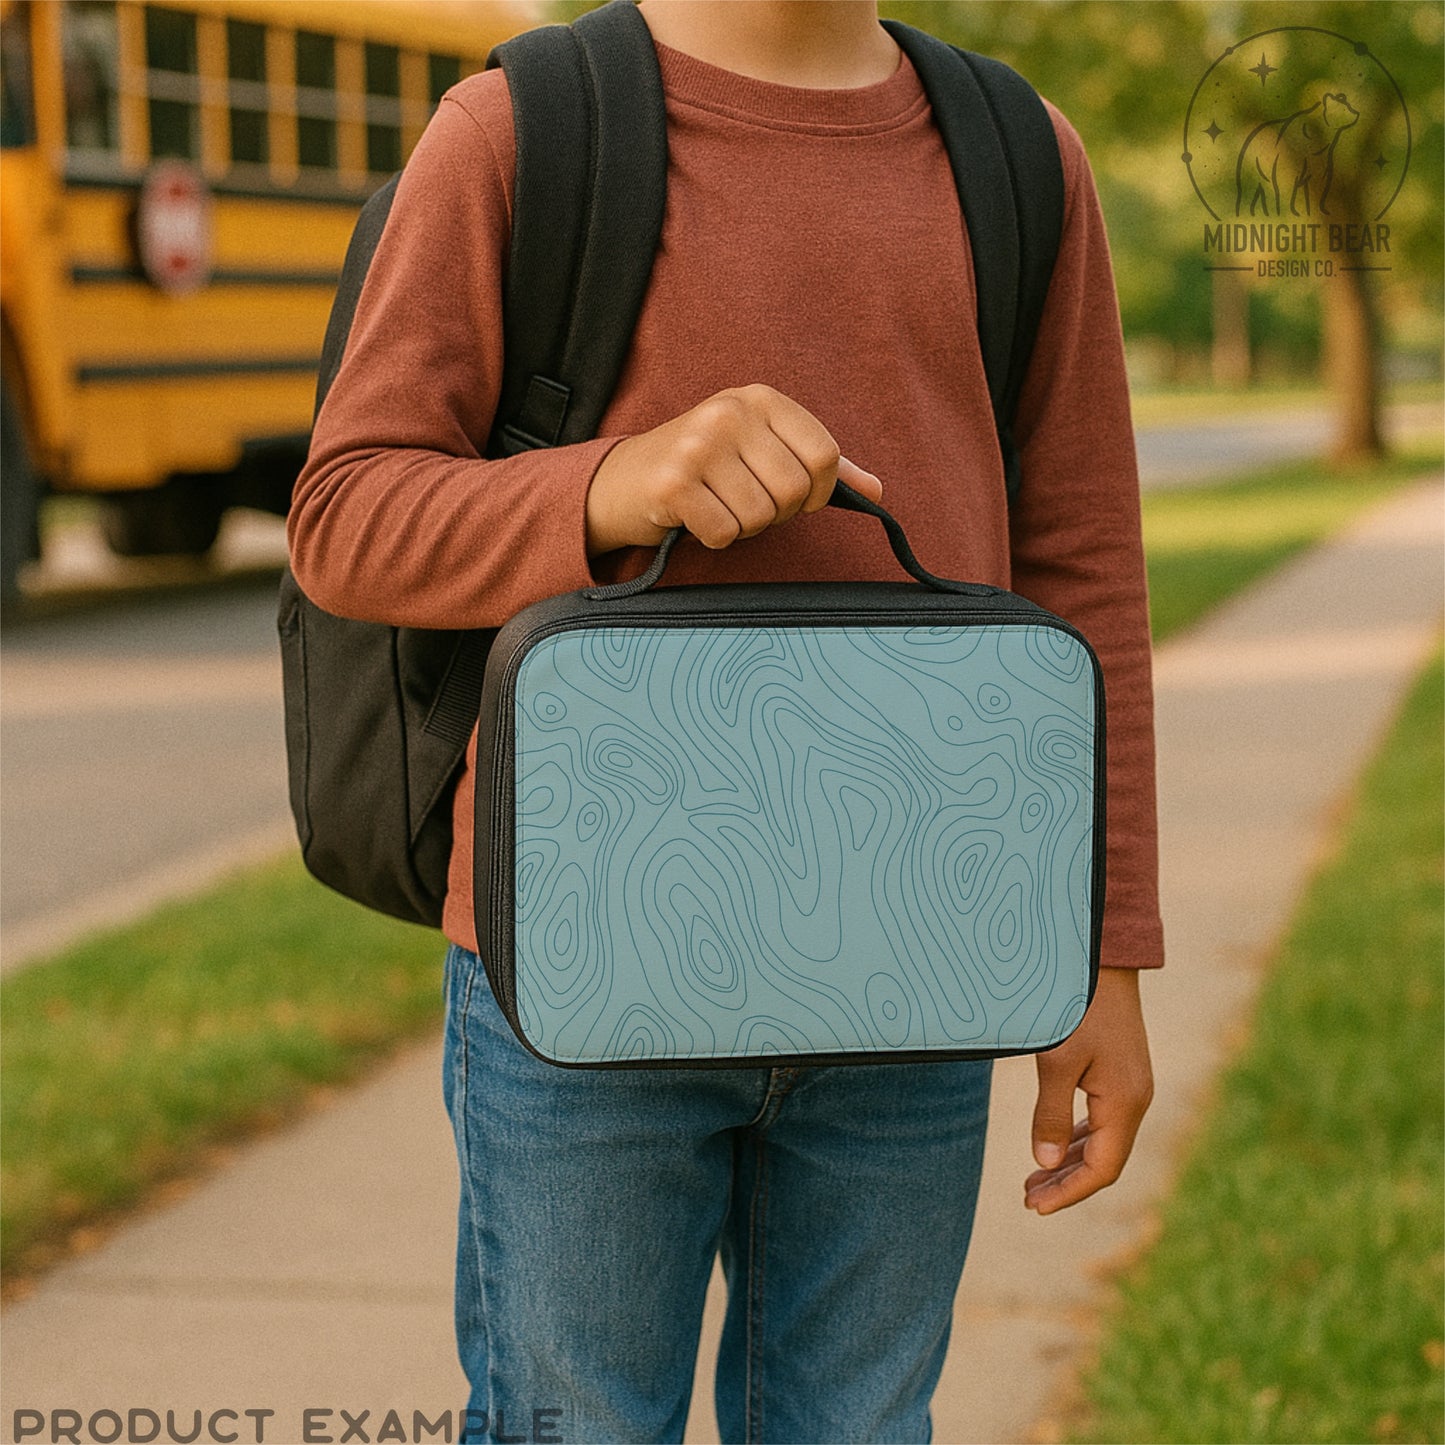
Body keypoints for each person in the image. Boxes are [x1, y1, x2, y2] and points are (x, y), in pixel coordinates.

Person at [288, 2, 1162, 1440]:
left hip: (916, 958)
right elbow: (344, 516)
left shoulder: (1017, 154)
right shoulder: (519, 133)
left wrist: (1107, 947)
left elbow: (1083, 571)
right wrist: (609, 483)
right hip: (586, 973)